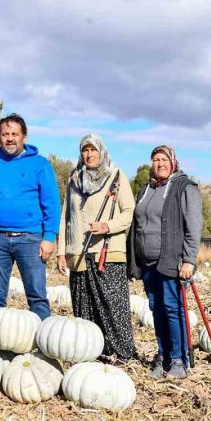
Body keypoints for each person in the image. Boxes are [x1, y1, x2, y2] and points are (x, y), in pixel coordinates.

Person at [56, 134, 137, 363]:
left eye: (93, 150)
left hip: (107, 252)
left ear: (102, 152)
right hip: (78, 253)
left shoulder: (116, 176)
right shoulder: (74, 179)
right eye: (85, 150)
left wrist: (108, 226)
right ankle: (93, 353)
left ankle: (122, 353)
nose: (89, 155)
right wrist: (62, 252)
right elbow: (66, 217)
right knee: (84, 306)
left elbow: (128, 212)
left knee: (112, 305)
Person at [0, 113, 60, 320]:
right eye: (5, 134)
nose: (10, 138)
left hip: (30, 238)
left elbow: (52, 202)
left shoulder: (40, 165)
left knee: (37, 296)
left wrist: (49, 237)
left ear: (24, 137)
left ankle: (43, 345)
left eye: (14, 133)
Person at [129, 145, 202, 379]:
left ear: (173, 162)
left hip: (171, 260)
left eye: (163, 159)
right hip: (148, 262)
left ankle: (179, 359)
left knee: (172, 309)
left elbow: (193, 227)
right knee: (156, 310)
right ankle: (163, 356)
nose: (159, 163)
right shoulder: (145, 189)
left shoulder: (184, 187)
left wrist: (189, 260)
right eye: (155, 159)